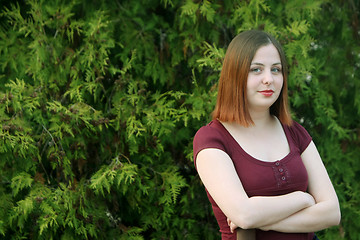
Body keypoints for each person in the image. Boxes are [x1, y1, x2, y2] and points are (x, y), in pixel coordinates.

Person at [193, 30, 341, 240]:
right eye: (256, 70)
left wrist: (262, 220)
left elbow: (332, 212)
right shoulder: (212, 140)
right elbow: (244, 214)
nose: (268, 79)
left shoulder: (295, 132)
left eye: (276, 70)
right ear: (235, 74)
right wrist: (303, 199)